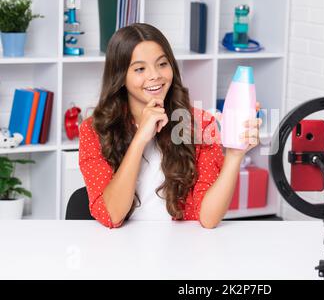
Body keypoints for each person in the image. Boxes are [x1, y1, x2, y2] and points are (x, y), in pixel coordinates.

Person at [78, 23, 262, 229]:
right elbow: (111, 215)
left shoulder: (200, 125)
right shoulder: (93, 130)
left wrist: (234, 156)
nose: (155, 75)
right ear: (120, 77)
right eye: (140, 69)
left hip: (180, 249)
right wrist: (140, 139)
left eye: (162, 64)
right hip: (121, 249)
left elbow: (208, 219)